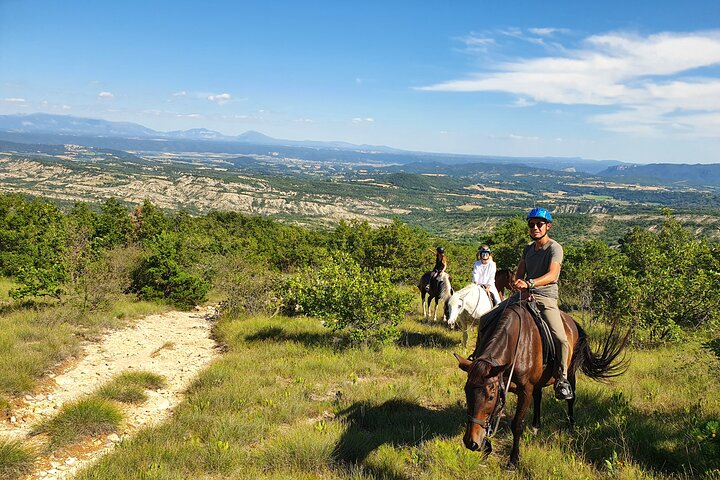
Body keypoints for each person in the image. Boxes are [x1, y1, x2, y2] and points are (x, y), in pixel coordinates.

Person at [512, 207, 573, 400]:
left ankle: (562, 378)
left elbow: (552, 275)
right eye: (532, 225)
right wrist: (517, 282)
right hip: (526, 294)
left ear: (548, 226)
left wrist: (530, 283)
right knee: (494, 316)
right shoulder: (528, 248)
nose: (535, 228)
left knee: (561, 338)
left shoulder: (555, 248)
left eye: (539, 224)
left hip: (545, 297)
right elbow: (520, 271)